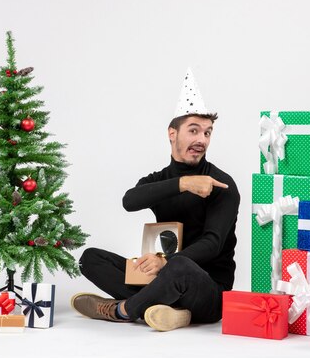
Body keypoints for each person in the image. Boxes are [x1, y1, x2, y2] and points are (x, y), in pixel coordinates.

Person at [71, 68, 240, 331]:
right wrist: (184, 183)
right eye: (194, 130)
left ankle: (123, 309)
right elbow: (130, 201)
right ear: (172, 133)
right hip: (164, 276)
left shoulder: (221, 184)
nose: (202, 140)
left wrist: (165, 262)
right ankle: (170, 311)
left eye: (207, 133)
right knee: (90, 258)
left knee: (180, 265)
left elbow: (213, 244)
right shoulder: (161, 180)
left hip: (209, 290)